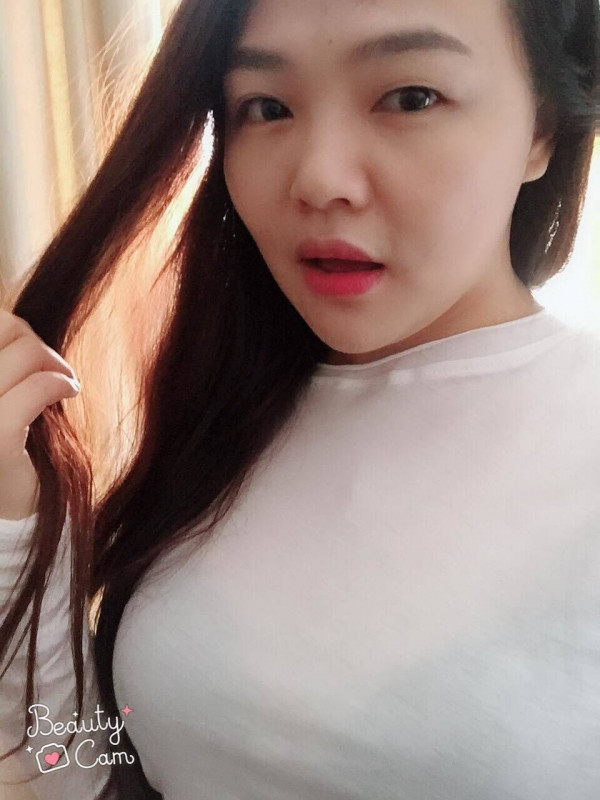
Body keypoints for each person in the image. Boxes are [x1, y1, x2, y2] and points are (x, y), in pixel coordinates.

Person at [1, 0, 599, 797]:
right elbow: (88, 777)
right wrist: (14, 530)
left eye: (410, 97)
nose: (318, 179)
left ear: (543, 129)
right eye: (266, 108)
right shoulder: (227, 414)